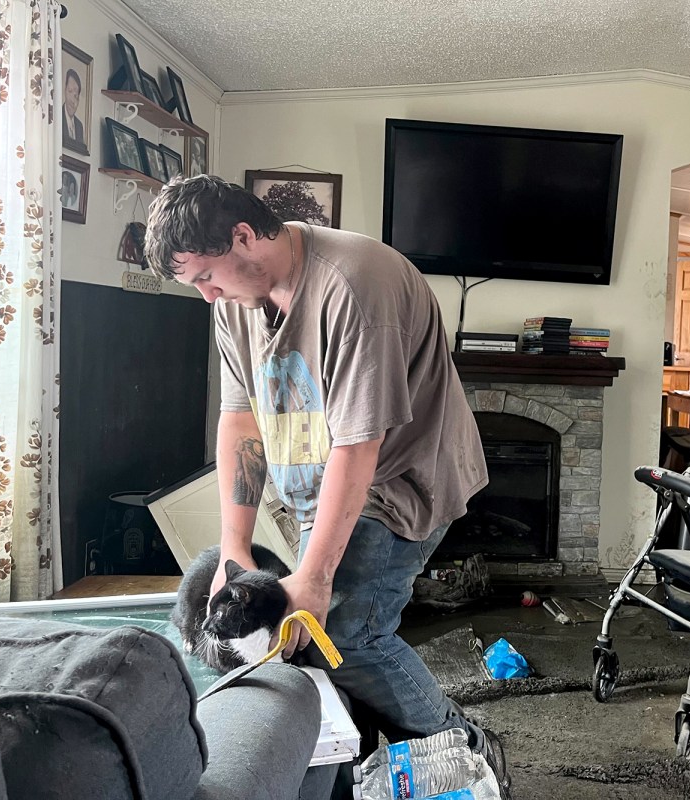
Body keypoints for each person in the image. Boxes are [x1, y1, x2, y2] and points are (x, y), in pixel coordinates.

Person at [144, 175, 510, 794]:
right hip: (326, 481)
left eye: (207, 277)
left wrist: (314, 578)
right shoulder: (236, 303)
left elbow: (357, 445)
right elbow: (241, 420)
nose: (206, 296)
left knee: (346, 629)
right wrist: (233, 551)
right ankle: (376, 752)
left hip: (401, 478)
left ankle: (469, 747)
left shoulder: (356, 286)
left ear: (242, 237)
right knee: (307, 630)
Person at [63, 68, 85, 149]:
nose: (72, 100)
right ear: (65, 91)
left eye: (76, 96)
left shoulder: (79, 126)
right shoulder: (56, 118)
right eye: (70, 91)